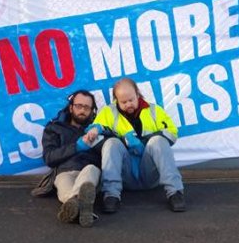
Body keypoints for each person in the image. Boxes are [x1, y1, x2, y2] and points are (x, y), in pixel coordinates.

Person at [84, 77, 186, 213]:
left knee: (158, 141)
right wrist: (97, 131)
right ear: (116, 100)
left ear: (138, 94)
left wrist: (142, 142)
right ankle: (111, 195)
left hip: (150, 174)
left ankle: (175, 193)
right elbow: (96, 142)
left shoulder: (154, 110)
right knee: (111, 143)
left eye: (131, 100)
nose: (128, 105)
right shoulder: (108, 112)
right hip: (125, 175)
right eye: (123, 102)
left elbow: (172, 134)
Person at [40, 90, 103, 227]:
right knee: (65, 188)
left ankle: (74, 206)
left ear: (92, 111)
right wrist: (77, 147)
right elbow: (49, 158)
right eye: (78, 106)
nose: (82, 110)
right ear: (71, 107)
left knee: (91, 170)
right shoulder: (54, 128)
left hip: (88, 170)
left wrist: (99, 130)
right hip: (64, 172)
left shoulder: (97, 128)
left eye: (87, 108)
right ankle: (82, 208)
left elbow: (110, 150)